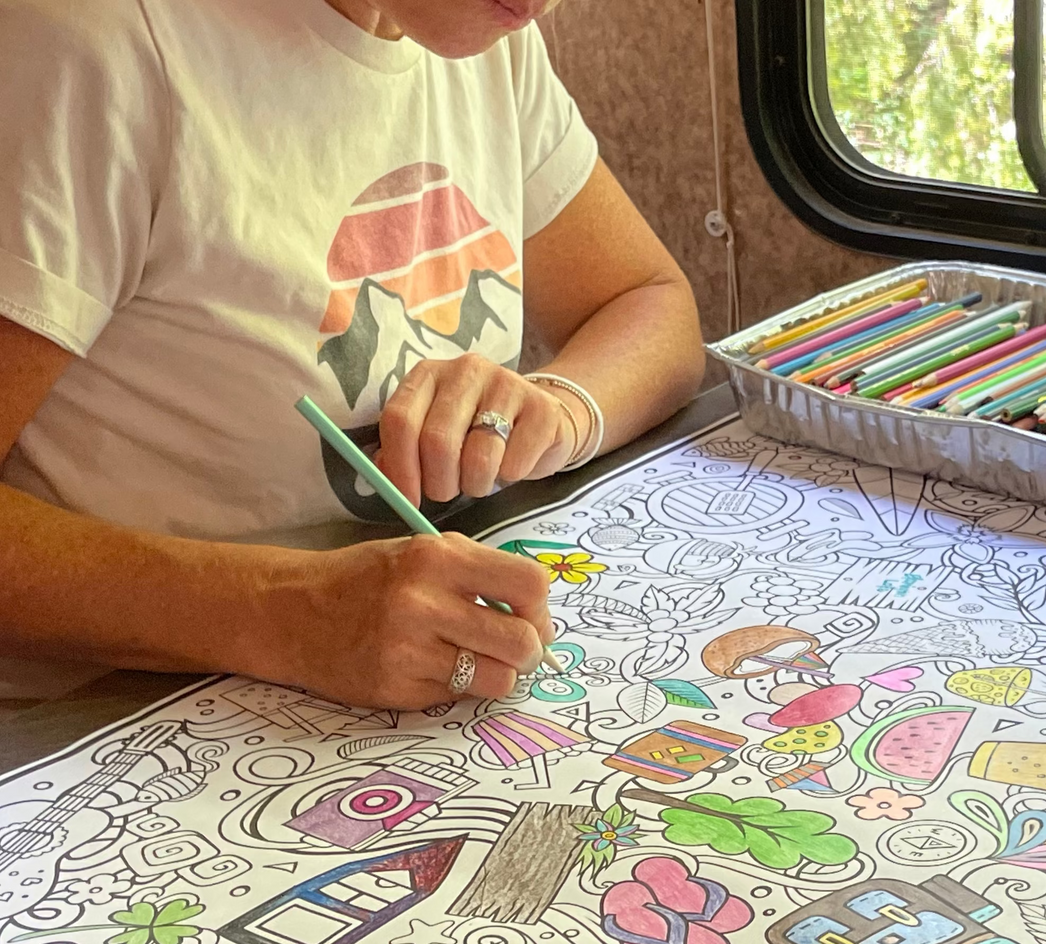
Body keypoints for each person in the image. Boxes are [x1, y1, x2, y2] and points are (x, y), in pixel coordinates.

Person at [0, 0, 704, 712]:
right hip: (102, 724)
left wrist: (557, 407)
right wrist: (285, 613)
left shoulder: (486, 39)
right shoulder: (92, 45)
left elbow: (647, 302)